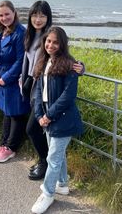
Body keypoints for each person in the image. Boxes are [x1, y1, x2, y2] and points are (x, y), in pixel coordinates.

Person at [21, 0, 84, 180]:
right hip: (34, 91)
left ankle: (45, 163)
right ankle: (50, 166)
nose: (38, 19)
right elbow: (26, 62)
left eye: (42, 15)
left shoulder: (52, 36)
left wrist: (81, 67)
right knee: (37, 128)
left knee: (32, 128)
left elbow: (68, 58)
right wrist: (21, 80)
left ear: (48, 17)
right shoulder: (29, 36)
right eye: (34, 15)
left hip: (46, 94)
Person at [31, 26, 84, 214]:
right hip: (47, 117)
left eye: (55, 42)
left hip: (62, 119)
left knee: (52, 158)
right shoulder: (44, 61)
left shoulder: (70, 65)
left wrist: (48, 116)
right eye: (48, 41)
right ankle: (62, 184)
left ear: (62, 44)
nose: (50, 45)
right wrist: (39, 115)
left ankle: (48, 194)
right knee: (57, 155)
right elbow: (38, 91)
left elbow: (68, 96)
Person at [0, 1, 30, 162]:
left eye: (7, 14)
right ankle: (4, 143)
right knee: (7, 112)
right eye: (1, 15)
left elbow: (21, 61)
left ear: (14, 13)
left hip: (13, 79)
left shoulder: (20, 33)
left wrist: (5, 78)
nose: (4, 18)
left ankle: (11, 147)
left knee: (17, 114)